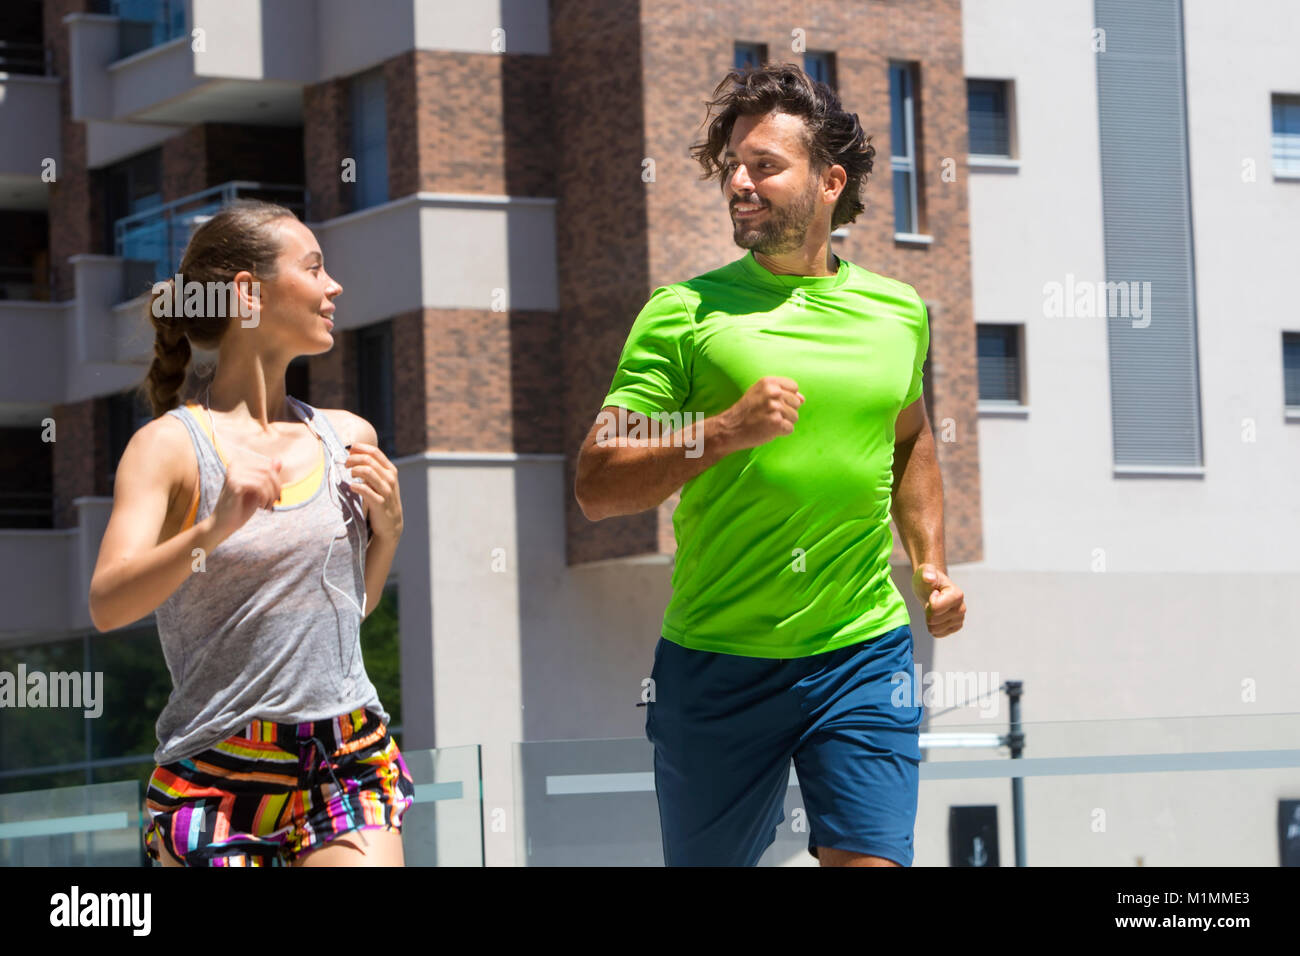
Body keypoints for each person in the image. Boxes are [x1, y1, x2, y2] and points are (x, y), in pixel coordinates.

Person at [575, 64, 967, 867]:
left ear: (829, 182)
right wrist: (718, 433)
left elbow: (910, 436)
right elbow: (597, 483)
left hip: (863, 648)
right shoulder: (684, 312)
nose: (741, 184)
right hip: (717, 658)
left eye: (764, 165)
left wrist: (931, 564)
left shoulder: (897, 311)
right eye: (734, 168)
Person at [88, 200, 414, 867]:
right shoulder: (170, 448)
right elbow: (108, 602)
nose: (334, 287)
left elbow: (351, 612)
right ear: (247, 293)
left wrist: (389, 534)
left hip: (343, 752)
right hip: (217, 772)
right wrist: (214, 527)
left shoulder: (349, 437)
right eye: (315, 267)